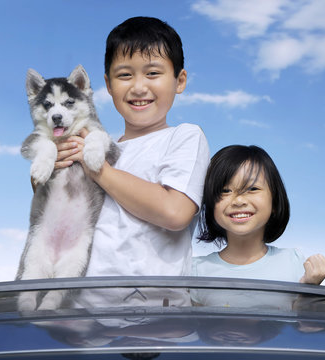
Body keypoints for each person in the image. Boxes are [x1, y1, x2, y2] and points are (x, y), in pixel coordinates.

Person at [54, 16, 210, 309]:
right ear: (108, 85)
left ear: (180, 81)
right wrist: (47, 177)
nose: (139, 87)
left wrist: (98, 169)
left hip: (157, 320)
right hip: (85, 316)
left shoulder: (185, 136)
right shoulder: (94, 147)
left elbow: (174, 211)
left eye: (153, 73)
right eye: (125, 75)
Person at [191, 145, 325, 307]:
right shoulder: (197, 271)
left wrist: (311, 287)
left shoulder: (294, 262)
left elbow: (304, 327)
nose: (238, 201)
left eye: (252, 189)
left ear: (275, 201)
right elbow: (194, 329)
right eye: (225, 190)